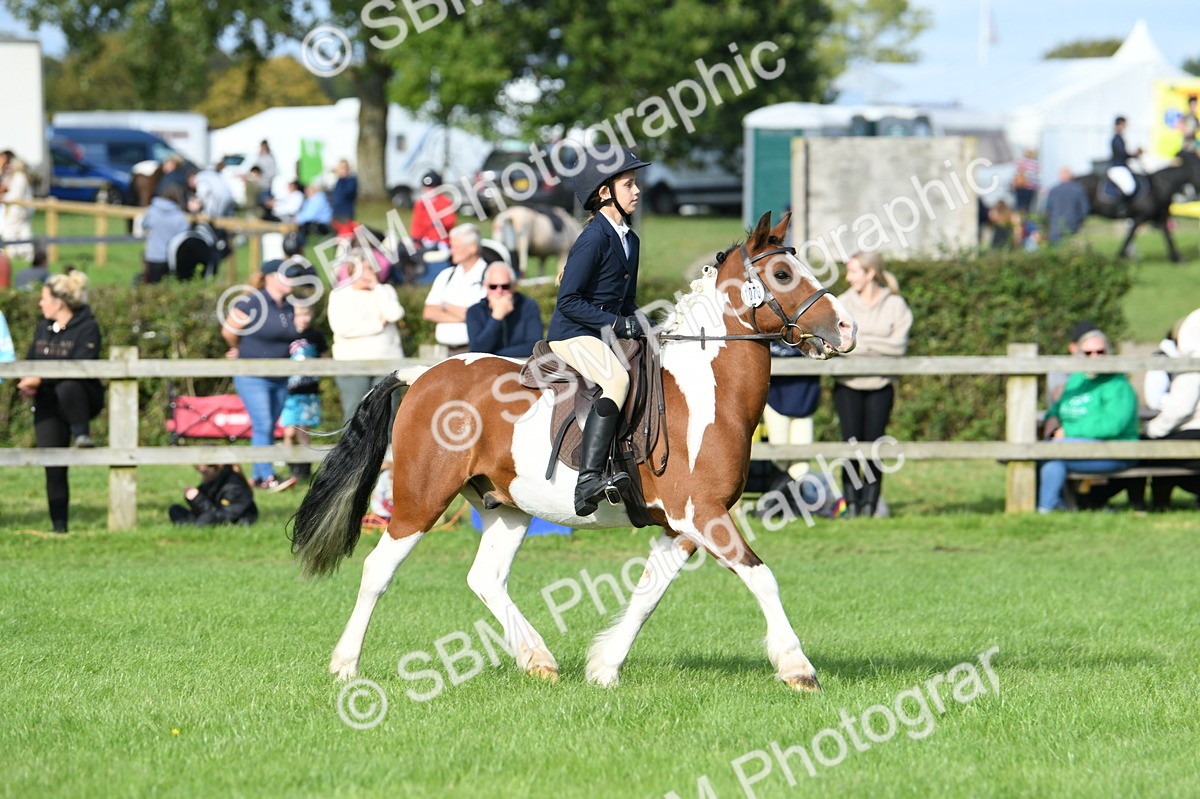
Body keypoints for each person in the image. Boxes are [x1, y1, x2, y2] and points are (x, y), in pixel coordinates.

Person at [546, 145, 651, 516]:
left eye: (636, 183)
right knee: (617, 381)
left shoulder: (630, 239)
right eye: (629, 184)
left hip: (602, 333)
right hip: (572, 333)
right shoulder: (592, 238)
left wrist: (649, 325)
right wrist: (619, 324)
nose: (637, 190)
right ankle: (588, 479)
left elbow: (627, 301)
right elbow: (568, 301)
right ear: (605, 192)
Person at [16, 272, 104, 533]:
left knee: (68, 384)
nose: (40, 303)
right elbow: (31, 359)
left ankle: (81, 433)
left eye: (44, 298)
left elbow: (80, 364)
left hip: (79, 398)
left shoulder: (87, 327)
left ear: (59, 302)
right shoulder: (43, 327)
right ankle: (59, 527)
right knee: (52, 464)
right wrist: (27, 382)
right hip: (48, 402)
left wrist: (40, 378)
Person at [833, 251, 913, 519]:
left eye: (853, 271)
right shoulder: (842, 303)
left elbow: (898, 346)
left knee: (875, 446)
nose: (848, 277)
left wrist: (862, 341)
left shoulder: (896, 305)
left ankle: (870, 503)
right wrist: (879, 344)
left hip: (881, 386)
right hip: (848, 386)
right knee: (851, 446)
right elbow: (841, 343)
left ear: (870, 274)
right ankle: (852, 504)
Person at [1037, 328, 1139, 514]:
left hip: (1115, 451)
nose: (1095, 357)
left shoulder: (1118, 385)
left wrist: (1068, 431)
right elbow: (1059, 407)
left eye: (1100, 352)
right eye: (1088, 353)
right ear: (1079, 354)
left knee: (1048, 451)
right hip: (1072, 446)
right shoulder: (1077, 379)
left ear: (1109, 353)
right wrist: (1051, 417)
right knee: (1053, 462)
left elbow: (1111, 426)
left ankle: (1053, 508)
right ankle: (1047, 510)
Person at [221, 259, 301, 492]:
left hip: (280, 376)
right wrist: (239, 348)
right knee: (263, 423)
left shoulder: (289, 306)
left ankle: (258, 476)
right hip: (252, 375)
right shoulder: (252, 302)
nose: (292, 280)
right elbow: (228, 331)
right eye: (286, 275)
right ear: (270, 278)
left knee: (267, 426)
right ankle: (267, 476)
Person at [328, 246, 405, 423]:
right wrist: (378, 324)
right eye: (362, 269)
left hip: (387, 362)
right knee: (354, 415)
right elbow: (343, 328)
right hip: (352, 365)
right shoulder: (340, 294)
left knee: (386, 416)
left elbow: (395, 314)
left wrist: (377, 288)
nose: (367, 273)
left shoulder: (385, 291)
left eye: (371, 268)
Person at [1144, 308, 1200, 510]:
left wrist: (1151, 430)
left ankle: (1158, 505)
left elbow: (1182, 409)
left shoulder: (1193, 365)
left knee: (1154, 447)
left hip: (1194, 432)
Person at [422, 223, 489, 356]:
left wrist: (444, 306)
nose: (451, 251)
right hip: (446, 352)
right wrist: (466, 317)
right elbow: (428, 312)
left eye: (456, 247)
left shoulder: (490, 275)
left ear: (472, 248)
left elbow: (482, 316)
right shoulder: (446, 275)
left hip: (475, 352)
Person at [280, 302, 327, 481]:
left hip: (309, 391)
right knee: (289, 431)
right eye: (299, 314)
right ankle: (291, 465)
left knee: (304, 430)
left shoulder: (316, 336)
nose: (303, 319)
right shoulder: (286, 335)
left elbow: (325, 359)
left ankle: (304, 468)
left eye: (306, 314)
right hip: (289, 391)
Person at [466, 261, 544, 358]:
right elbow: (477, 350)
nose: (499, 291)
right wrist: (497, 317)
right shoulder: (475, 311)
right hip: (488, 365)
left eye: (505, 286)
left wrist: (495, 355)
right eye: (493, 286)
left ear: (513, 286)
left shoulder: (528, 306)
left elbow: (534, 346)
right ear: (485, 286)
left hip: (520, 363)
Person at [168, 464, 259, 526]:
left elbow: (224, 517)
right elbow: (204, 507)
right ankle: (190, 528)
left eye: (205, 472)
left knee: (208, 518)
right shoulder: (212, 481)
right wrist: (192, 498)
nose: (202, 476)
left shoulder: (233, 487)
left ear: (218, 468)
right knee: (175, 509)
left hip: (233, 520)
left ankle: (192, 528)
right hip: (213, 515)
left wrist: (198, 499)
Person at [141, 183, 191, 284]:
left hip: (151, 255)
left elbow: (144, 225)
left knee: (150, 286)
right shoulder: (180, 217)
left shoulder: (152, 211)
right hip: (170, 258)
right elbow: (184, 236)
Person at [410, 170, 457, 249]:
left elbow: (450, 222)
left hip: (441, 242)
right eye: (426, 188)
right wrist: (416, 238)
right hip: (424, 241)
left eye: (431, 188)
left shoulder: (444, 202)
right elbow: (416, 224)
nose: (428, 191)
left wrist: (434, 222)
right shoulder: (420, 203)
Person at [1, 156, 34, 262]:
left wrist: (4, 198)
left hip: (16, 209)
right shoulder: (22, 177)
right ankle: (26, 253)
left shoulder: (19, 177)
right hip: (23, 209)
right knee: (24, 231)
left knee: (9, 230)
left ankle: (12, 252)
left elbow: (15, 196)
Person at [1045, 167, 1089, 245]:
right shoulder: (1078, 189)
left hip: (1055, 226)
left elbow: (1048, 209)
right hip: (1072, 225)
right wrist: (1080, 222)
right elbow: (1085, 209)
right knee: (1069, 248)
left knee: (1055, 249)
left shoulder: (1053, 190)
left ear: (1060, 176)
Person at [1107, 116, 1143, 200]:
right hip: (1118, 167)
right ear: (1119, 125)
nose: (1125, 127)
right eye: (1124, 125)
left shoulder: (1120, 138)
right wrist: (1135, 154)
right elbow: (1122, 154)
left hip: (1123, 166)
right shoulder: (1116, 139)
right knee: (1129, 188)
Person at [331, 159, 358, 223]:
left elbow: (348, 193)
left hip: (346, 212)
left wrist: (343, 177)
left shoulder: (351, 180)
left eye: (341, 168)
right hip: (336, 212)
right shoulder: (339, 181)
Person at [1013, 148, 1039, 214]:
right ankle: (1025, 216)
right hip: (1030, 188)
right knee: (1027, 206)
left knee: (1019, 204)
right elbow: (1036, 178)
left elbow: (1016, 173)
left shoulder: (1021, 162)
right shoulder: (1035, 164)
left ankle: (1019, 216)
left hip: (1020, 186)